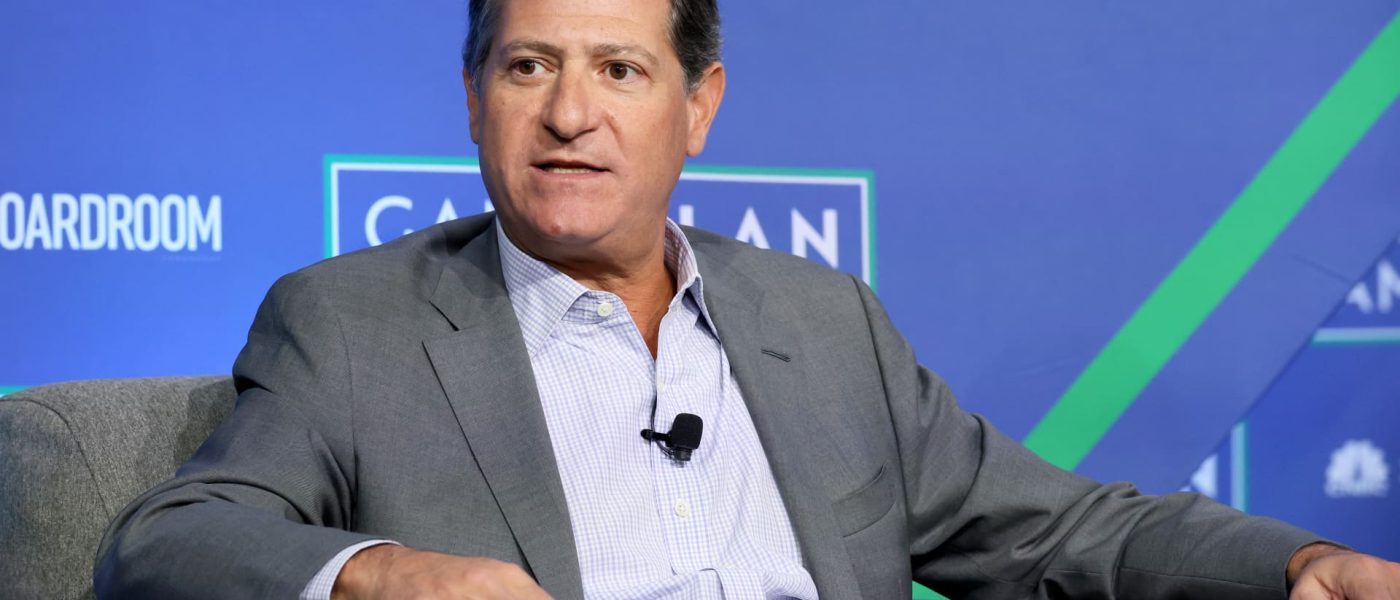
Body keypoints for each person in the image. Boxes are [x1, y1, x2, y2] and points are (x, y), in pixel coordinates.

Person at [96, 0, 1400, 598]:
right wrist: (380, 578)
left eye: (619, 69)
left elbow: (1061, 536)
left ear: (699, 106)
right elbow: (170, 542)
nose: (569, 113)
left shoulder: (823, 323)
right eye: (529, 65)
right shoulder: (355, 324)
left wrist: (1293, 563)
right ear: (474, 97)